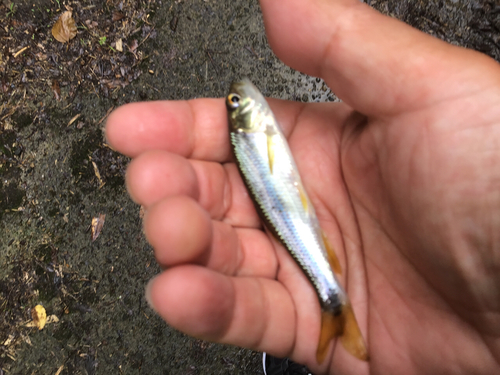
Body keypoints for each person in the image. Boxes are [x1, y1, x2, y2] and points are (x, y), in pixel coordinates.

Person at [105, 0, 500, 374]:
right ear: (247, 120)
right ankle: (332, 304)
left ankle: (329, 318)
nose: (241, 96)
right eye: (236, 102)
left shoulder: (251, 137)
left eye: (234, 101)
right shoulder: (249, 136)